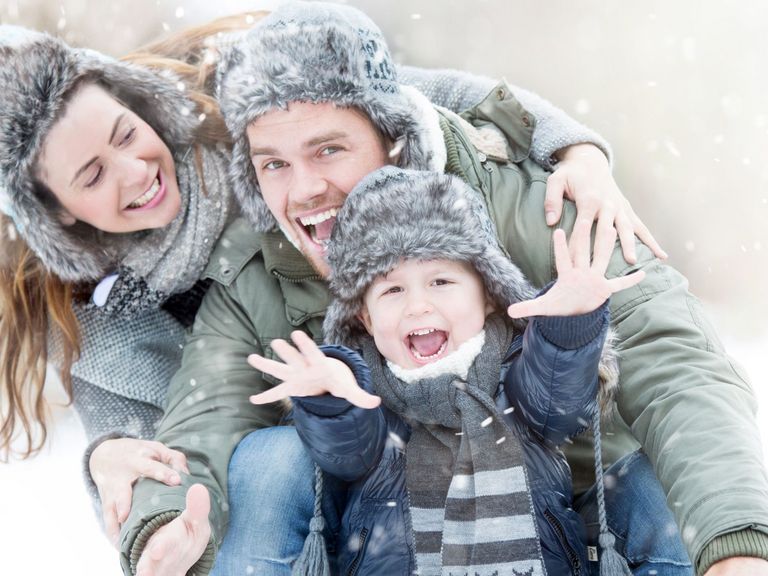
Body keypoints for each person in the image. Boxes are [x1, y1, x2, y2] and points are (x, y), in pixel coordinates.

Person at [122, 2, 768, 576]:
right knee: (267, 458)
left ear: (393, 138)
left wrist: (736, 540)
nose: (304, 190)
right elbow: (204, 419)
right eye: (274, 164)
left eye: (328, 150)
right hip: (382, 533)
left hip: (573, 514)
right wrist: (165, 521)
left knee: (652, 479)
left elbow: (678, 366)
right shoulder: (258, 272)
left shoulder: (535, 208)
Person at [0, 13, 648, 572]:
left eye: (125, 134)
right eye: (92, 174)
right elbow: (165, 465)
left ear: (138, 104)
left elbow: (420, 96)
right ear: (53, 212)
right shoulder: (100, 328)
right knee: (272, 457)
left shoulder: (252, 125)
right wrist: (114, 467)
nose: (136, 170)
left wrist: (577, 150)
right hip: (312, 499)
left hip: (423, 453)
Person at [248, 166, 648, 576]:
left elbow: (558, 402)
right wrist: (330, 400)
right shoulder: (366, 394)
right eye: (393, 290)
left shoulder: (517, 375)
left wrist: (570, 324)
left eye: (440, 281)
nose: (418, 305)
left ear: (489, 295)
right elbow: (348, 451)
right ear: (365, 318)